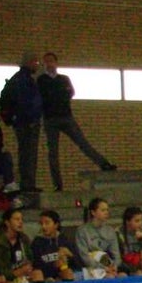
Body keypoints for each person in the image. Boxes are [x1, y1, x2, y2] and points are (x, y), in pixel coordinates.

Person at [38, 52, 115, 191]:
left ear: (56, 63)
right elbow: (44, 97)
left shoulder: (64, 78)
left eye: (51, 61)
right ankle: (57, 183)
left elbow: (70, 93)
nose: (49, 64)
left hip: (66, 116)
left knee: (82, 142)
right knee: (53, 152)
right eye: (46, 62)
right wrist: (57, 95)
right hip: (50, 119)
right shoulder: (41, 80)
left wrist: (55, 95)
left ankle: (104, 164)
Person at [1, 52, 44, 193]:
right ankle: (27, 184)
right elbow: (24, 102)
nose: (37, 65)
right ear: (28, 62)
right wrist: (29, 118)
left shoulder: (24, 79)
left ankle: (28, 182)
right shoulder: (22, 80)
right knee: (28, 155)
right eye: (35, 62)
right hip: (27, 123)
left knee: (28, 154)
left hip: (26, 121)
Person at [0, 208, 44, 283]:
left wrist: (28, 268)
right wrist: (16, 273)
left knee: (37, 273)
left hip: (22, 274)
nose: (20, 222)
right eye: (17, 219)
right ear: (7, 222)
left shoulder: (23, 239)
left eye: (21, 219)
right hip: (6, 277)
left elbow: (30, 259)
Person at [76, 198, 124, 277]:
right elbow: (84, 256)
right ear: (93, 212)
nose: (106, 213)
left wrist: (114, 266)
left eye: (107, 210)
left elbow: (116, 254)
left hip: (108, 264)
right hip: (91, 267)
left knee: (123, 276)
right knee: (109, 277)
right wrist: (103, 267)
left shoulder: (110, 231)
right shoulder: (82, 231)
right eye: (103, 210)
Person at [32, 210, 77, 282]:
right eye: (41, 224)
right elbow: (35, 266)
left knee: (68, 272)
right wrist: (54, 265)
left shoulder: (64, 240)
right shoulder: (37, 242)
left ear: (56, 224)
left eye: (47, 223)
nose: (43, 226)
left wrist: (70, 255)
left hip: (61, 273)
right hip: (44, 275)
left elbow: (78, 264)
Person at [118, 206, 142, 275]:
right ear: (128, 222)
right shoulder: (119, 233)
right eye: (137, 221)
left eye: (141, 220)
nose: (140, 223)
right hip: (126, 264)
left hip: (141, 263)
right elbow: (119, 255)